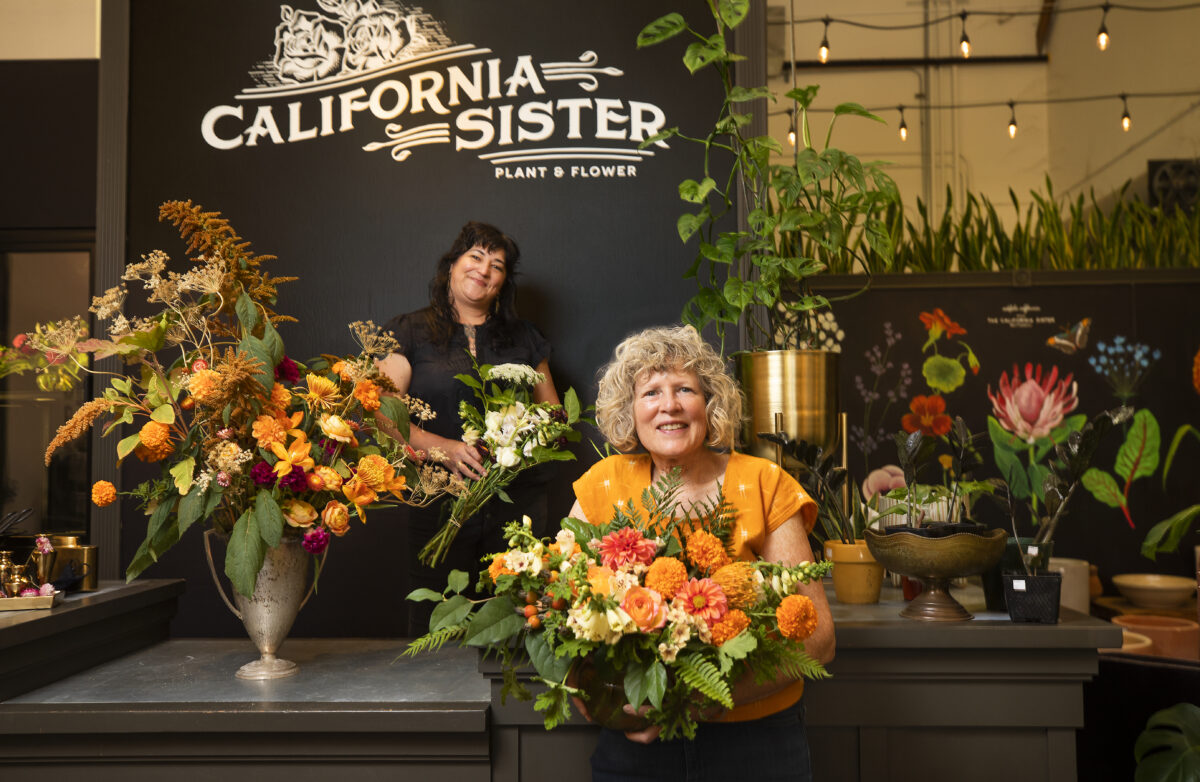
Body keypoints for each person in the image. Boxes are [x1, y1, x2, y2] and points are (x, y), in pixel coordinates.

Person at [569, 324, 835, 782]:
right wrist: (593, 698)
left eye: (684, 389)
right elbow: (556, 610)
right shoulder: (603, 485)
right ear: (630, 412)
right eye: (650, 392)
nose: (668, 405)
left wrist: (691, 700)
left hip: (756, 744)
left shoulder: (764, 482)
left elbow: (818, 638)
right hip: (636, 740)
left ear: (709, 406)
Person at [378, 221, 559, 635]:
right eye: (475, 257)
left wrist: (518, 443)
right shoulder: (408, 331)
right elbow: (384, 418)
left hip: (517, 503)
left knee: (518, 617)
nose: (484, 269)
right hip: (440, 501)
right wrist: (445, 448)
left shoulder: (525, 338)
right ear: (452, 265)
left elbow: (553, 416)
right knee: (437, 621)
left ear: (503, 283)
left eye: (497, 265)